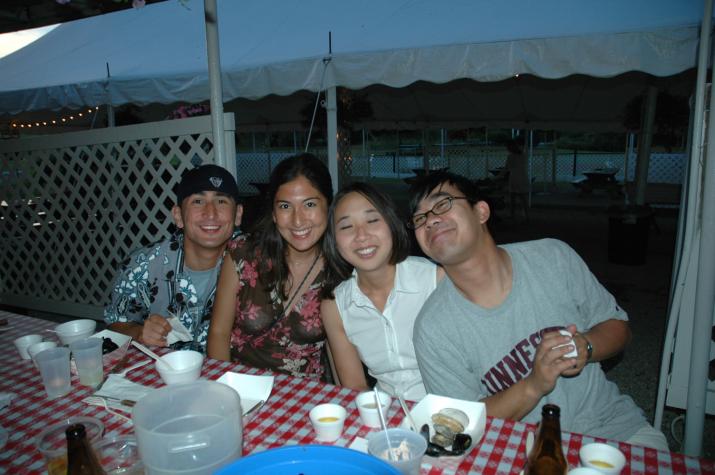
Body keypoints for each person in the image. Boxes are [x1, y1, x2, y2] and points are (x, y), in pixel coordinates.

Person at [408, 171, 668, 450]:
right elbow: (462, 423)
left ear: (481, 211)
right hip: (519, 448)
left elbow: (619, 327)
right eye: (419, 218)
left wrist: (586, 346)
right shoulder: (433, 328)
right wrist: (533, 384)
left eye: (443, 204)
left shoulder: (552, 258)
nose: (431, 219)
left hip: (611, 429)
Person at [208, 153, 332, 380]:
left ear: (328, 206)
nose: (297, 220)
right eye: (285, 206)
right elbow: (218, 333)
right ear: (274, 213)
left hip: (305, 395)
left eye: (310, 204)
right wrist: (225, 392)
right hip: (241, 385)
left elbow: (340, 353)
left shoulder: (339, 270)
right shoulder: (242, 253)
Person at [320, 183, 444, 401]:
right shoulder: (335, 306)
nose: (361, 235)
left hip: (448, 409)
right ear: (334, 240)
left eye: (372, 220)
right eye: (347, 227)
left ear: (392, 224)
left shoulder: (436, 280)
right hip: (384, 413)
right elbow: (355, 386)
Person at [104, 164, 243, 351]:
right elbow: (114, 326)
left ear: (238, 215)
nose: (211, 213)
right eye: (198, 201)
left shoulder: (254, 264)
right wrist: (138, 332)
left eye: (221, 201)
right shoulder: (142, 265)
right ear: (178, 216)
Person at [501, 139, 530, 222]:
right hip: (523, 177)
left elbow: (507, 168)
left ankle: (512, 214)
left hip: (514, 178)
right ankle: (527, 216)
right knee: (523, 199)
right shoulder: (523, 155)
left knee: (513, 198)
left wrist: (499, 176)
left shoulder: (511, 156)